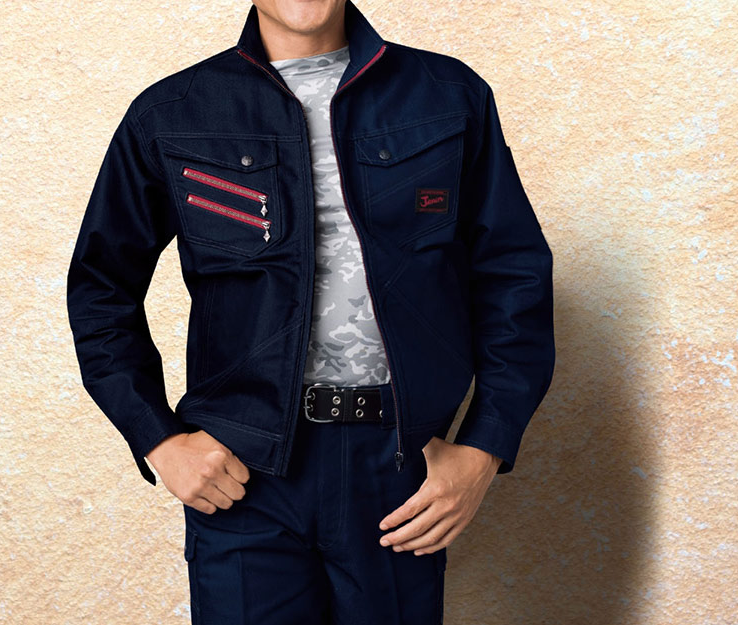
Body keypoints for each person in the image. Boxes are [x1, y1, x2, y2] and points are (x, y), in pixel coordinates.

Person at [66, 1, 555, 622]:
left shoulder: (447, 95)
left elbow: (514, 276)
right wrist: (158, 440)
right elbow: (100, 287)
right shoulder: (173, 112)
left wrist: (484, 446)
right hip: (244, 474)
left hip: (397, 469)